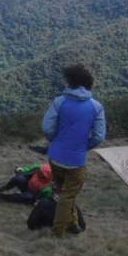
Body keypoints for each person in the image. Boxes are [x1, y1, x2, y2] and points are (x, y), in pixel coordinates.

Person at [42, 64, 106, 237]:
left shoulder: (59, 102)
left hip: (55, 157)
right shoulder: (96, 107)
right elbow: (99, 136)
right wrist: (85, 146)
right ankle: (58, 232)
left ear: (69, 81)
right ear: (88, 84)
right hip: (76, 161)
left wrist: (55, 141)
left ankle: (75, 224)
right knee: (68, 196)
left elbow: (47, 127)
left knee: (61, 191)